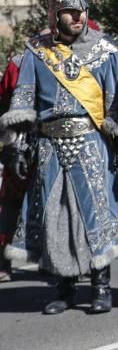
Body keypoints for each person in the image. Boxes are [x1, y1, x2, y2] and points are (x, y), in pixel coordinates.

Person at [1, 0, 118, 314]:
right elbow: (22, 101)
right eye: (69, 12)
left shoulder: (108, 52)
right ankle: (63, 289)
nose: (77, 18)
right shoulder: (37, 52)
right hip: (48, 145)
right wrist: (15, 148)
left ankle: (101, 287)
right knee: (54, 217)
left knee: (92, 212)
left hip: (92, 142)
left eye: (81, 11)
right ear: (54, 14)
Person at [0, 53, 25, 282]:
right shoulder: (19, 62)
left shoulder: (73, 59)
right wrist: (10, 146)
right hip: (20, 141)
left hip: (54, 141)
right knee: (10, 205)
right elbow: (4, 104)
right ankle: (3, 261)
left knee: (60, 203)